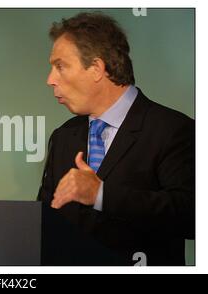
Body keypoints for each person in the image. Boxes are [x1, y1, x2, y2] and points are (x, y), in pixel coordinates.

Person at [38, 12, 194, 265]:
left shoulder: (174, 130)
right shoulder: (64, 136)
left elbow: (191, 216)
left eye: (60, 66)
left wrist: (101, 195)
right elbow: (45, 223)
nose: (50, 80)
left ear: (97, 68)